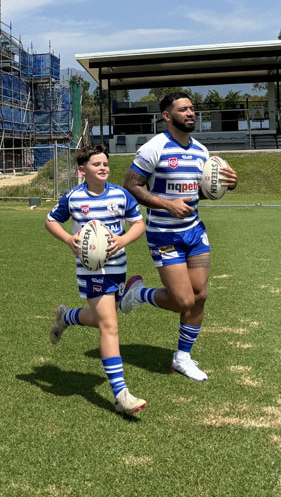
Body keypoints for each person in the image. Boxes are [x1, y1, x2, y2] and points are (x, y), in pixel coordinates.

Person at [119, 92, 238, 382]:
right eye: (183, 109)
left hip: (195, 232)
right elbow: (132, 185)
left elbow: (201, 190)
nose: (191, 113)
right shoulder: (153, 148)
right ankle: (138, 294)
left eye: (192, 109)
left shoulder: (201, 151)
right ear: (167, 116)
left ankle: (182, 357)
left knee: (200, 296)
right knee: (183, 300)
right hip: (164, 234)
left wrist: (228, 183)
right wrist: (166, 204)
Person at [45, 144, 148, 417]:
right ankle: (121, 395)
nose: (103, 168)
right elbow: (50, 221)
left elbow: (139, 224)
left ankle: (66, 317)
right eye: (96, 164)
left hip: (118, 268)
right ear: (82, 170)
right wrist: (69, 239)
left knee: (104, 318)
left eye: (105, 164)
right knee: (110, 326)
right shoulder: (74, 198)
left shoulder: (121, 195)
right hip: (90, 271)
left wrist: (124, 239)